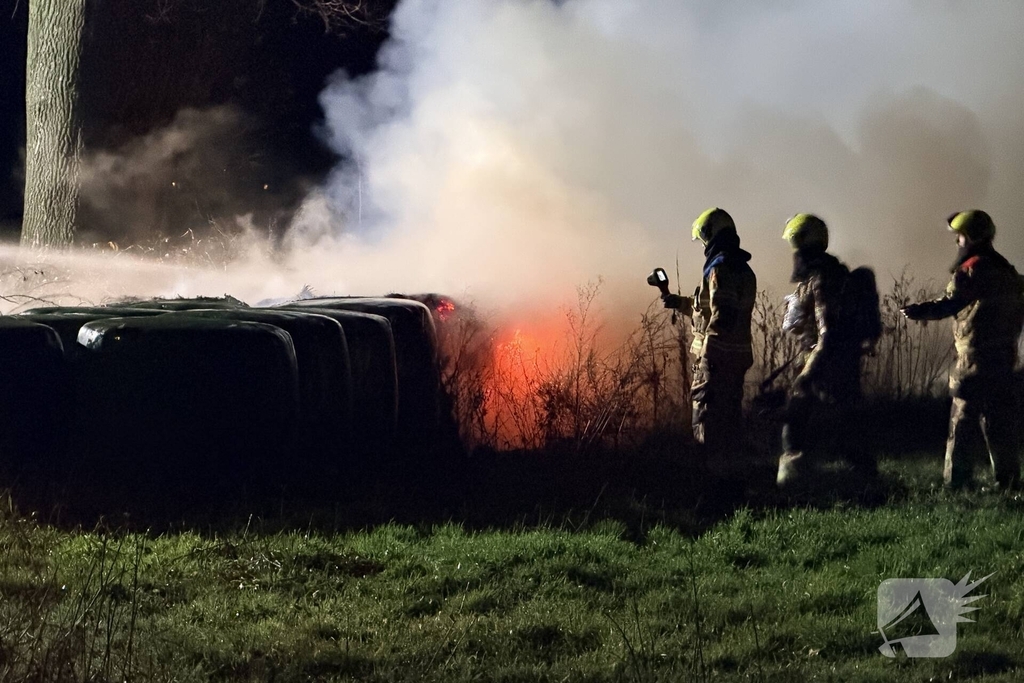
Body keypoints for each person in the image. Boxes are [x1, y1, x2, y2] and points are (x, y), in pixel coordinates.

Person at [901, 210, 1024, 490]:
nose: (957, 241)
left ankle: (957, 483)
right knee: (999, 422)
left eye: (959, 236)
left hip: (974, 360)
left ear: (969, 237)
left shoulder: (971, 269)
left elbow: (950, 303)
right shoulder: (1006, 270)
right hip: (1004, 359)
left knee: (962, 422)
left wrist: (918, 311)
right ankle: (1009, 481)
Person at [776, 213, 877, 488]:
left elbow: (827, 331)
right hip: (839, 358)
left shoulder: (821, 278)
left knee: (796, 416)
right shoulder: (828, 273)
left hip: (826, 360)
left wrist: (808, 372)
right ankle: (866, 478)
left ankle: (792, 482)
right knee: (846, 420)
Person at [662, 207, 756, 467]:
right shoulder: (744, 270)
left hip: (715, 362)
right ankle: (732, 481)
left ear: (711, 234)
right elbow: (708, 309)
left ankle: (715, 490)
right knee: (730, 423)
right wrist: (680, 303)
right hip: (736, 359)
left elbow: (721, 315)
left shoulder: (719, 269)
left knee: (707, 424)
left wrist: (707, 358)